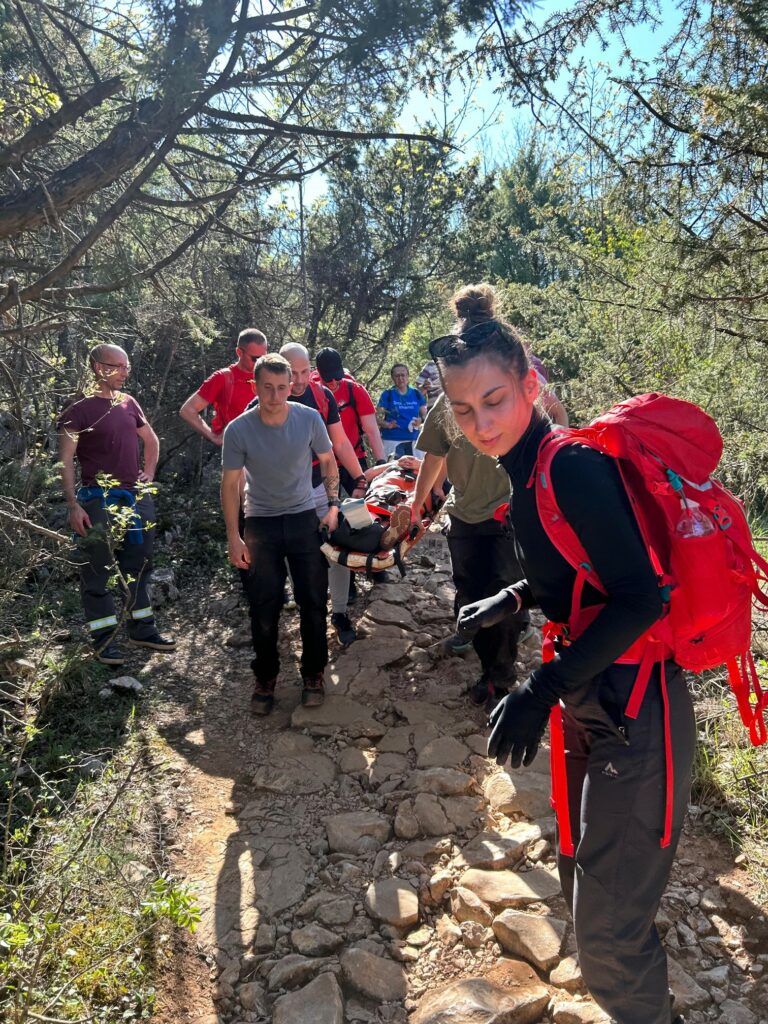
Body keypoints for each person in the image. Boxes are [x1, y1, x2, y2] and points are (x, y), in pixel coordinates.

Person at [434, 284, 692, 1024]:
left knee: (607, 935)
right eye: (463, 410)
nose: (481, 423)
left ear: (529, 384)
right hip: (598, 709)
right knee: (585, 890)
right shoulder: (526, 473)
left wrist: (537, 688)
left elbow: (641, 598)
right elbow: (577, 577)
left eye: (495, 400)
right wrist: (512, 598)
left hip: (637, 718)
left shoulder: (570, 465)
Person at [221, 353, 339, 714]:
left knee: (314, 602)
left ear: (293, 387)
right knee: (263, 606)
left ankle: (314, 674)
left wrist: (333, 504)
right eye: (268, 388)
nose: (275, 396)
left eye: (282, 388)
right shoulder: (239, 429)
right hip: (261, 522)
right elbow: (229, 486)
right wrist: (234, 536)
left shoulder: (308, 418)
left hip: (304, 517)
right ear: (254, 386)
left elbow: (329, 461)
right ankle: (266, 677)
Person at [409, 391, 531, 708]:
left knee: (503, 604)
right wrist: (417, 502)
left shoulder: (509, 392)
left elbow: (550, 427)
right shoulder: (446, 403)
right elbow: (434, 456)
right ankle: (486, 663)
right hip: (463, 515)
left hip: (507, 515)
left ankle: (499, 681)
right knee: (469, 595)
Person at [58, 344, 175, 665]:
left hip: (136, 498)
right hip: (98, 500)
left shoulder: (128, 402)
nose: (126, 372)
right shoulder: (77, 407)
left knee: (140, 564)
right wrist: (73, 505)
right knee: (97, 571)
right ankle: (104, 640)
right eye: (119, 366)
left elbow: (151, 440)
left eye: (127, 366)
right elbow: (65, 460)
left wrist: (147, 475)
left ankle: (143, 629)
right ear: (98, 367)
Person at [277, 343, 366, 646]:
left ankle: (339, 612)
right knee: (298, 559)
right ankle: (309, 612)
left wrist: (360, 477)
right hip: (285, 496)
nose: (299, 380)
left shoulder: (322, 395)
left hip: (319, 485)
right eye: (292, 372)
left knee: (338, 546)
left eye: (304, 371)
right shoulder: (264, 399)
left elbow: (339, 444)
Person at [314, 347, 388, 493]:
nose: (334, 382)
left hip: (354, 457)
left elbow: (371, 430)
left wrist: (381, 462)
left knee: (362, 508)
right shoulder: (311, 391)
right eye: (328, 378)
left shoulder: (355, 390)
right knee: (328, 510)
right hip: (323, 462)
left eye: (337, 376)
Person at [179, 328, 268, 444]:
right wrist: (212, 437)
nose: (260, 362)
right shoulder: (223, 378)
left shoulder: (269, 375)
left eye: (264, 357)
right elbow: (187, 410)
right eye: (255, 358)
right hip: (237, 452)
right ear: (239, 352)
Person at [376, 363, 426, 458]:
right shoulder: (387, 394)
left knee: (416, 471)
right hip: (392, 439)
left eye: (403, 375)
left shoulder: (416, 394)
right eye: (397, 376)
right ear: (393, 378)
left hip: (414, 440)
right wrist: (386, 424)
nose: (400, 378)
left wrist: (420, 420)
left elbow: (425, 415)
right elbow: (377, 417)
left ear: (408, 376)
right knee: (393, 470)